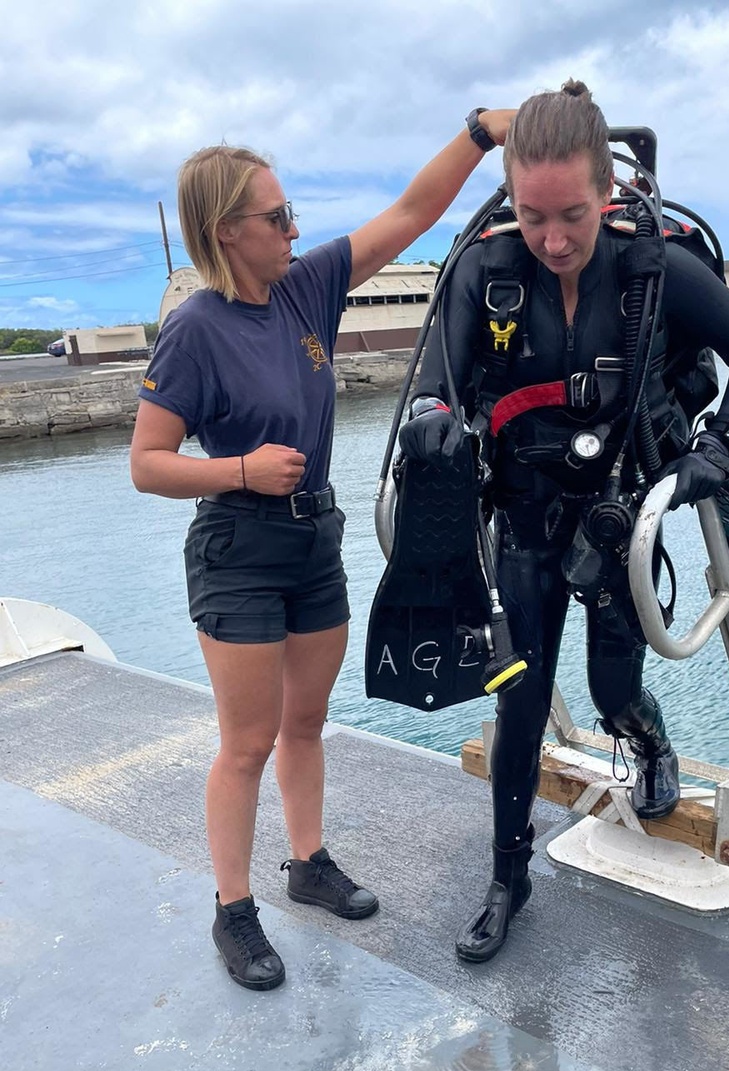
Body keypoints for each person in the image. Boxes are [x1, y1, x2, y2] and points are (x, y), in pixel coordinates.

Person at [130, 107, 515, 991]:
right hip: (239, 547)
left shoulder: (307, 287)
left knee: (306, 723)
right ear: (230, 231)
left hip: (316, 538)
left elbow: (414, 212)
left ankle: (307, 864)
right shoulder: (195, 328)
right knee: (247, 742)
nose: (293, 227)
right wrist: (238, 470)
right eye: (276, 217)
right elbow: (147, 464)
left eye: (291, 210)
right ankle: (234, 911)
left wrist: (481, 133)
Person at [395, 81, 729, 962]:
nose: (555, 240)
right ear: (511, 204)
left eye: (573, 214)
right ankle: (505, 880)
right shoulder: (482, 274)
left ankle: (646, 741)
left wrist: (719, 446)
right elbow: (432, 388)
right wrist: (430, 425)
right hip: (521, 532)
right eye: (533, 218)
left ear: (607, 194)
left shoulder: (655, 270)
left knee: (610, 690)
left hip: (615, 527)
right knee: (519, 708)